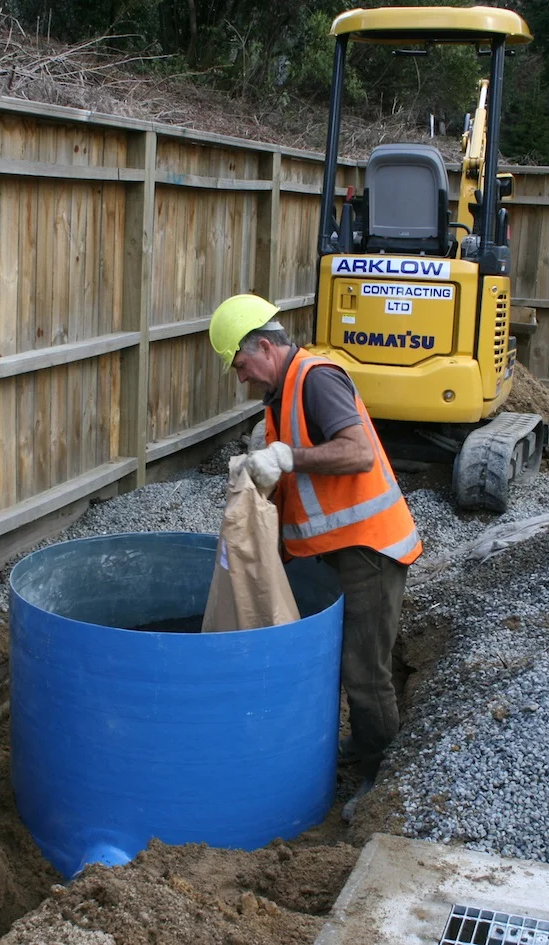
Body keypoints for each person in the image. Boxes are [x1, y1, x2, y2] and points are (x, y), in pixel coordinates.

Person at [208, 293, 422, 821]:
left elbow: (358, 452)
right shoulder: (279, 396)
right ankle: (357, 744)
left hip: (369, 548)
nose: (240, 378)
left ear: (262, 345)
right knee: (337, 659)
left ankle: (378, 779)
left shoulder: (317, 378)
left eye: (239, 365)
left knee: (364, 668)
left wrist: (288, 457)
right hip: (334, 550)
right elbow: (296, 492)